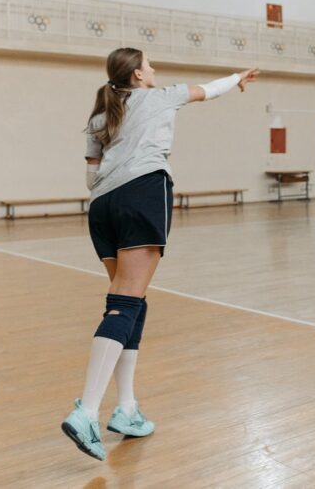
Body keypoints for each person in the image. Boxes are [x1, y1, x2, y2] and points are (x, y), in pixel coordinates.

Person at [62, 48, 259, 461]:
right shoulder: (159, 96)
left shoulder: (98, 117)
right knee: (125, 301)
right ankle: (87, 411)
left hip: (101, 207)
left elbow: (90, 175)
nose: (154, 70)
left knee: (131, 301)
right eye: (149, 65)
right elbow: (208, 91)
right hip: (143, 194)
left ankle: (127, 408)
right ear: (137, 74)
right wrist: (237, 77)